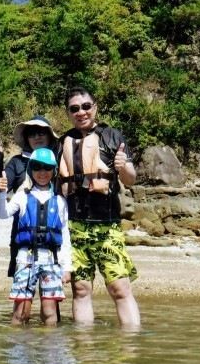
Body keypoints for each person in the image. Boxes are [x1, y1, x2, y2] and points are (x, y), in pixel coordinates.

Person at [56, 86, 141, 329]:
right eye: (74, 109)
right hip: (75, 227)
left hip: (107, 227)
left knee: (119, 287)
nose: (81, 112)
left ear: (95, 107)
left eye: (85, 106)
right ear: (69, 113)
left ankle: (130, 346)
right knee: (81, 289)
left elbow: (130, 179)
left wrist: (123, 166)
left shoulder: (113, 136)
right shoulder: (63, 142)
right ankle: (84, 350)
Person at [0, 147, 72, 326]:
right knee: (20, 313)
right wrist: (2, 194)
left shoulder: (60, 200)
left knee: (49, 312)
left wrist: (67, 267)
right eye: (37, 167)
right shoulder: (22, 196)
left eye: (47, 168)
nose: (42, 172)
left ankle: (50, 351)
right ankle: (19, 351)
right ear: (31, 170)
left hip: (51, 260)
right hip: (25, 259)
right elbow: (3, 213)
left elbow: (65, 235)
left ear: (54, 171)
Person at [0, 115, 59, 277]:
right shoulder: (17, 162)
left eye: (41, 132)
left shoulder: (58, 160)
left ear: (49, 136)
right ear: (27, 139)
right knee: (21, 293)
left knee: (50, 294)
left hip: (53, 232)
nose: (37, 137)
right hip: (22, 232)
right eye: (32, 134)